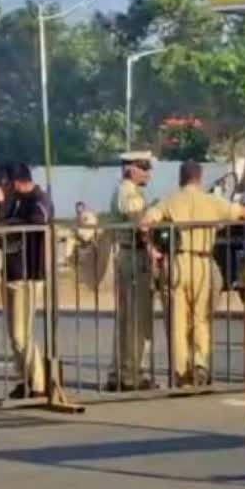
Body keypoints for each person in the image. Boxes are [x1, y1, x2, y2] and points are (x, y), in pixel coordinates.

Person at [140, 161, 245, 386]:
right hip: (203, 262)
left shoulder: (169, 200)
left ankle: (181, 371)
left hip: (176, 262)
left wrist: (152, 249)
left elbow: (145, 223)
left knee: (177, 321)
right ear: (199, 178)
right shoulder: (212, 201)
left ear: (180, 177)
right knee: (201, 318)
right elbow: (244, 212)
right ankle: (200, 364)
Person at [0, 163, 53, 398]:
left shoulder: (38, 199)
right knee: (14, 336)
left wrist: (7, 224)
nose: (4, 189)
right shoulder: (13, 200)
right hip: (11, 270)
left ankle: (38, 383)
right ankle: (24, 378)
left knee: (21, 334)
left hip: (29, 273)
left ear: (16, 182)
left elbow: (37, 221)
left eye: (6, 184)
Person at [108, 150, 155, 391]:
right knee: (137, 319)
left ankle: (121, 372)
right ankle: (132, 375)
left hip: (130, 255)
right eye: (143, 166)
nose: (148, 172)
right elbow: (140, 223)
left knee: (129, 318)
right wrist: (151, 250)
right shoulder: (128, 192)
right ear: (130, 169)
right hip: (133, 256)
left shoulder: (129, 191)